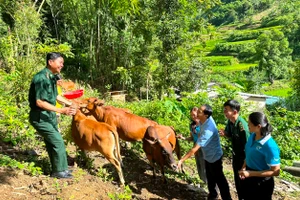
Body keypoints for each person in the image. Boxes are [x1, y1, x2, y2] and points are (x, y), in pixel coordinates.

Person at [28, 52, 76, 179]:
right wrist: (61, 111)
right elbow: (40, 102)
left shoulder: (51, 77)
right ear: (50, 62)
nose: (62, 65)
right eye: (60, 62)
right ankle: (59, 171)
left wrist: (70, 104)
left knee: (52, 142)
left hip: (49, 115)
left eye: (62, 63)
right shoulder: (41, 78)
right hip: (40, 116)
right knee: (58, 141)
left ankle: (61, 170)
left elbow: (55, 96)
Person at [178, 104, 232, 200]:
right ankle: (212, 195)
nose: (197, 113)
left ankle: (226, 198)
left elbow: (194, 149)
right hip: (207, 156)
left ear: (206, 115)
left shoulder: (208, 129)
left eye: (199, 112)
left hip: (215, 157)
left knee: (220, 180)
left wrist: (181, 160)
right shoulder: (203, 121)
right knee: (210, 178)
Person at [239, 112, 280, 200]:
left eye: (249, 123)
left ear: (258, 126)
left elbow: (276, 171)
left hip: (262, 183)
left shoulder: (269, 145)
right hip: (249, 177)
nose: (247, 125)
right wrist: (244, 167)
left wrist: (250, 173)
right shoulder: (252, 136)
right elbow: (249, 154)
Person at [219, 100, 250, 200]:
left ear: (235, 112)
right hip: (236, 156)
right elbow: (229, 134)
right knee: (237, 181)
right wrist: (225, 134)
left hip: (244, 158)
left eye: (226, 110)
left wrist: (245, 165)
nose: (224, 112)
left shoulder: (242, 126)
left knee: (244, 182)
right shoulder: (230, 122)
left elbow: (248, 147)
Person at [178, 107, 207, 183]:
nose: (193, 117)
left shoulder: (204, 124)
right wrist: (183, 138)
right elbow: (192, 138)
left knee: (206, 169)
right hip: (196, 147)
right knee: (200, 167)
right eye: (192, 115)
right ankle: (206, 186)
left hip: (204, 148)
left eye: (194, 115)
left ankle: (213, 190)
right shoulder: (192, 125)